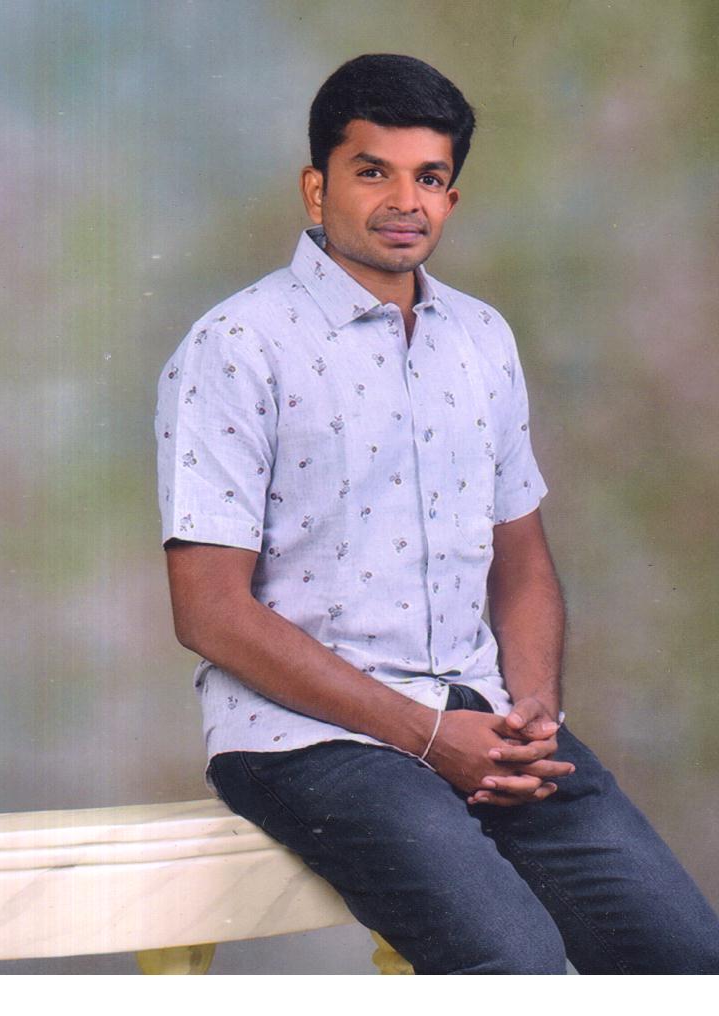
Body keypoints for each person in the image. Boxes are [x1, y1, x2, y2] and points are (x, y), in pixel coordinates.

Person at [155, 54, 719, 974]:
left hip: (480, 720)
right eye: (372, 171)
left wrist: (532, 710)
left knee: (688, 959)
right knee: (514, 966)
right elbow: (209, 612)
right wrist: (423, 735)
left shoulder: (482, 339)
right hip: (308, 740)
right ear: (316, 186)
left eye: (429, 178)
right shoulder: (238, 346)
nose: (403, 201)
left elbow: (522, 563)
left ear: (451, 198)